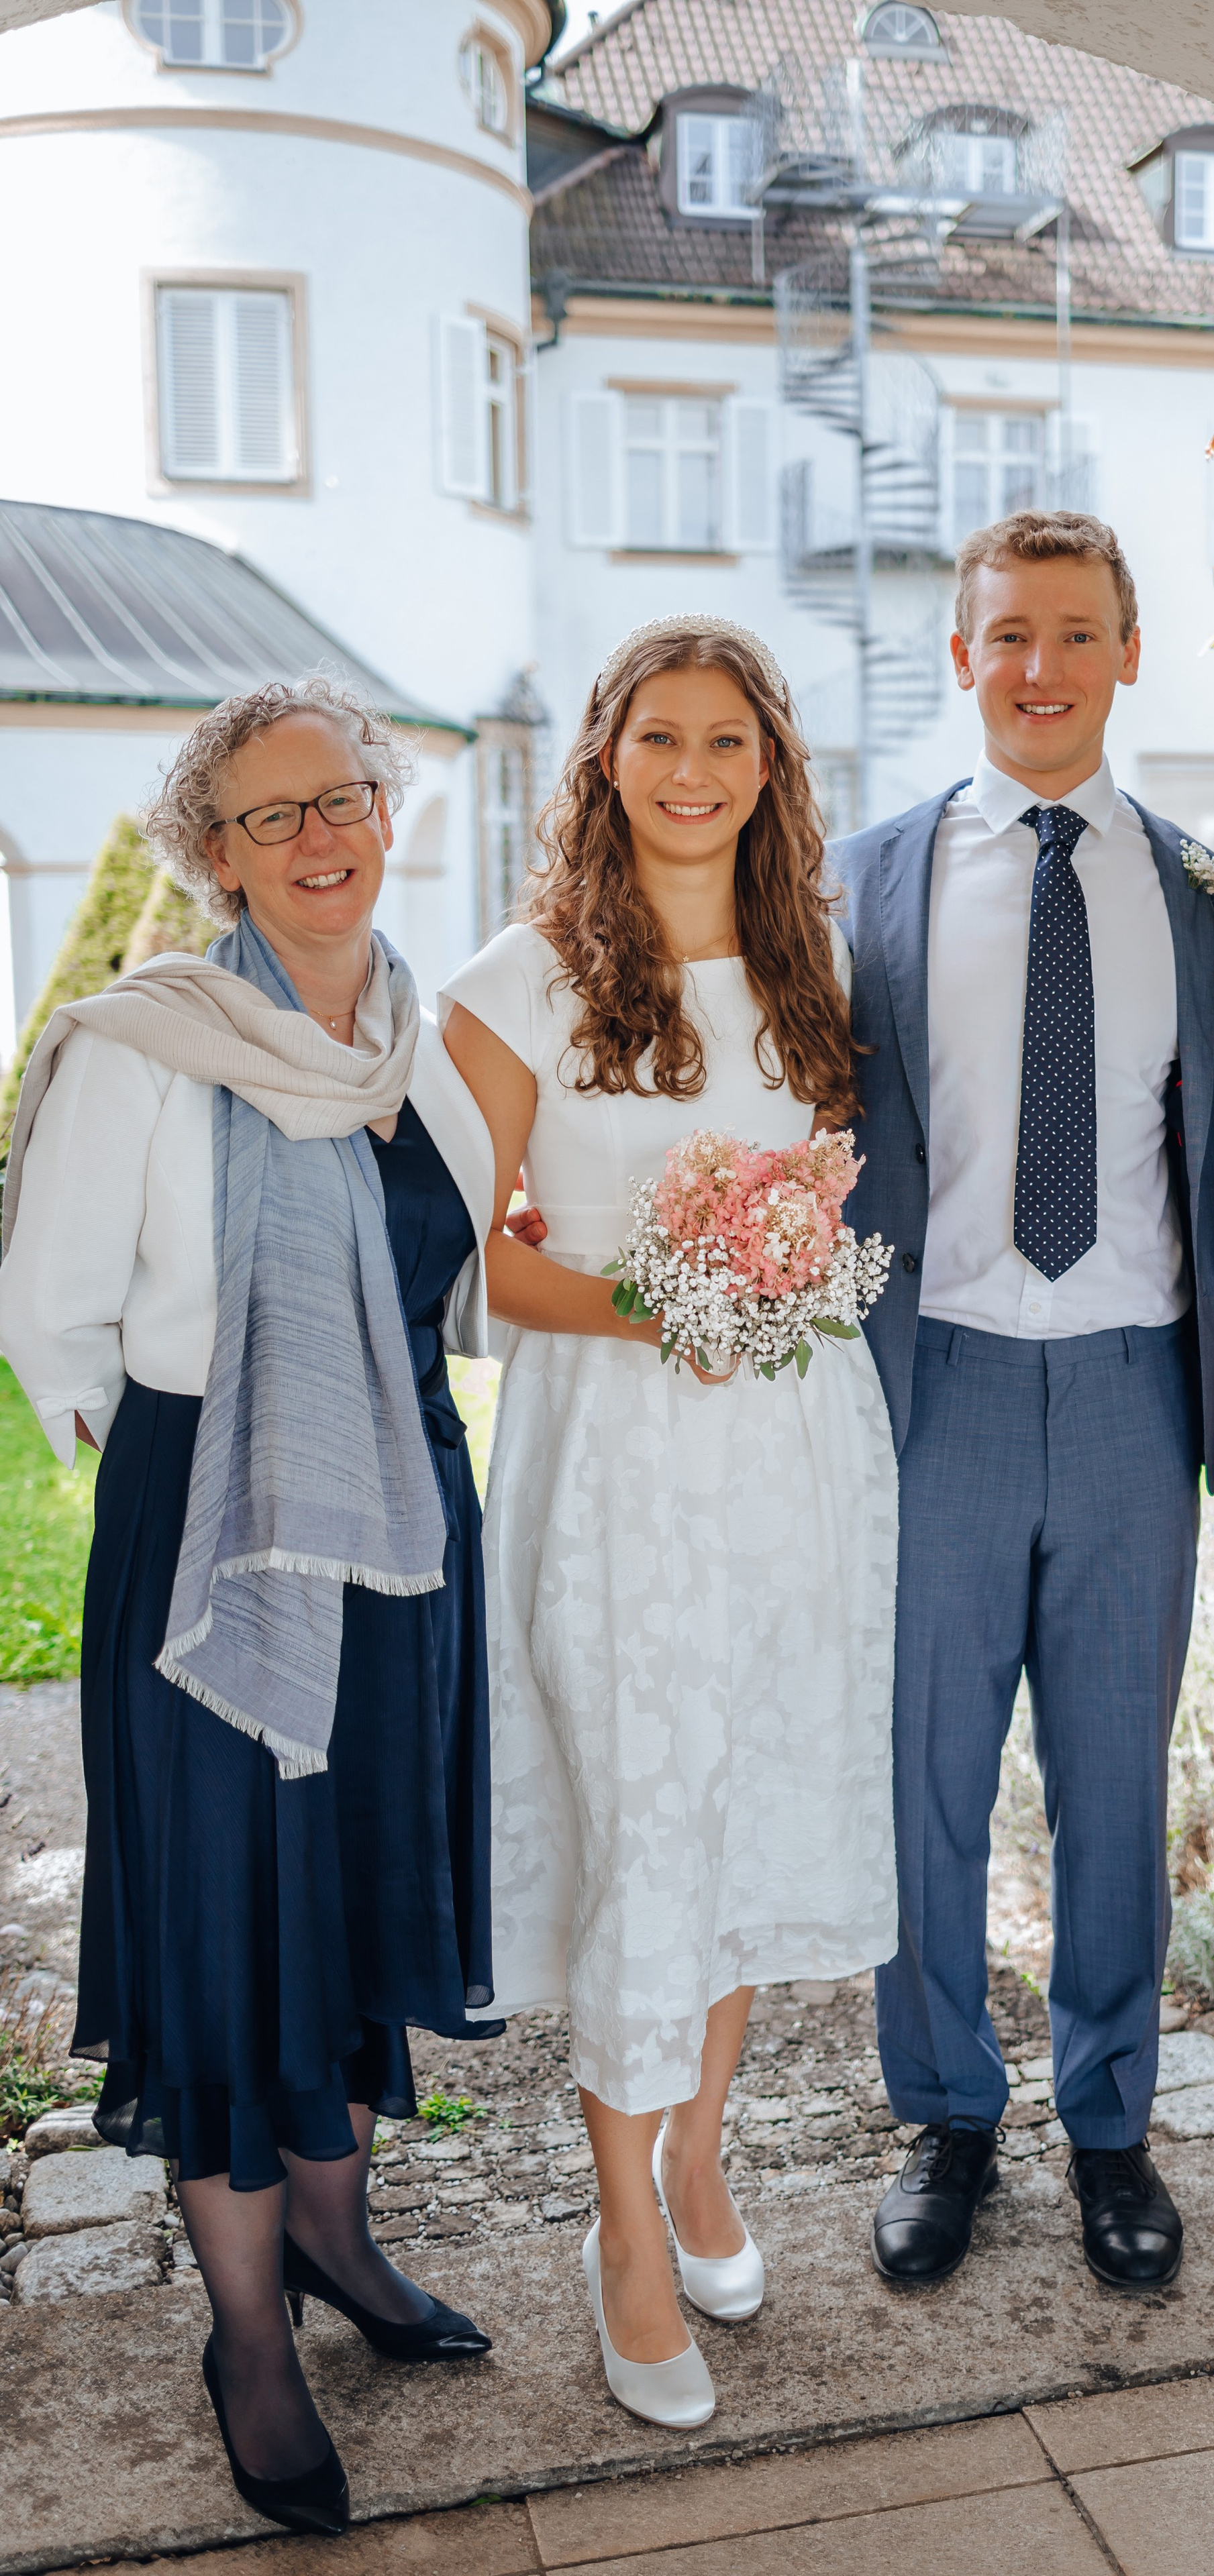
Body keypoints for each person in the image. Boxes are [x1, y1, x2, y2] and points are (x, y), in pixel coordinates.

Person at [0, 680, 501, 2537]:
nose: (317, 837)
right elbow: (48, 1310)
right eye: (270, 815)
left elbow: (470, 1277)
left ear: (386, 811)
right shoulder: (151, 1042)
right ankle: (246, 2338)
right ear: (213, 854)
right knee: (227, 1924)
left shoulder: (416, 1041)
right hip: (212, 1525)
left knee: (355, 1893)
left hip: (399, 1518)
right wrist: (189, 1462)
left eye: (341, 797)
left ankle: (338, 2243)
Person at [442, 616, 897, 2430]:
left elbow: (823, 1198)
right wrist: (659, 1305)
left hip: (791, 1453)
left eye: (726, 740)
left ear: (769, 766)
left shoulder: (812, 965)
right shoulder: (519, 981)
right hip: (617, 1465)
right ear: (605, 759)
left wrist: (776, 1275)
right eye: (659, 739)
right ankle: (622, 2231)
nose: (692, 772)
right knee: (642, 1822)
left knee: (741, 1807)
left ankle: (700, 2156)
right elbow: (465, 1264)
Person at [832, 511, 1214, 2293]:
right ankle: (944, 2113)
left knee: (1113, 1786)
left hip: (1138, 1385)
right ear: (962, 657)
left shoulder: (1205, 894)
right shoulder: (865, 883)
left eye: (1076, 634)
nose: (1041, 668)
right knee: (920, 1777)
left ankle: (1111, 2124)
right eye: (1008, 634)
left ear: (1127, 655)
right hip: (940, 1389)